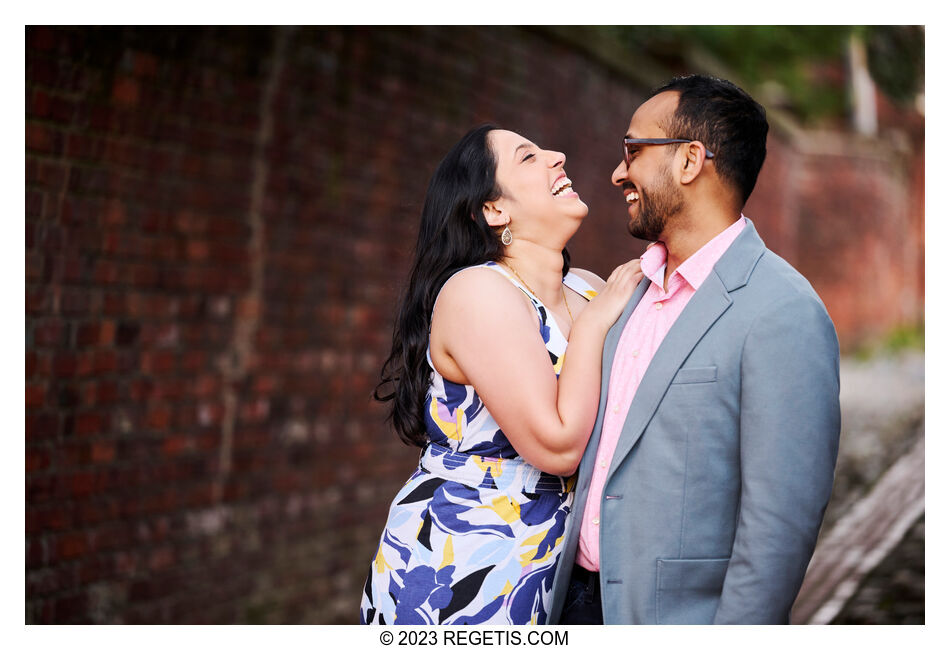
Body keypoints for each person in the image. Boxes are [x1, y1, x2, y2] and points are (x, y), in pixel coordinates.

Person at [549, 75, 841, 624]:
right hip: (574, 606)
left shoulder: (783, 310)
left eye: (632, 150)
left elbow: (779, 527)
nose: (618, 172)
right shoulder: (626, 292)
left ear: (689, 161)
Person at [360, 125, 642, 625]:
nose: (557, 155)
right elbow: (557, 447)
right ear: (494, 210)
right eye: (528, 158)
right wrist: (597, 325)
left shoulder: (592, 288)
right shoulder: (478, 293)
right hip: (464, 564)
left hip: (563, 566)